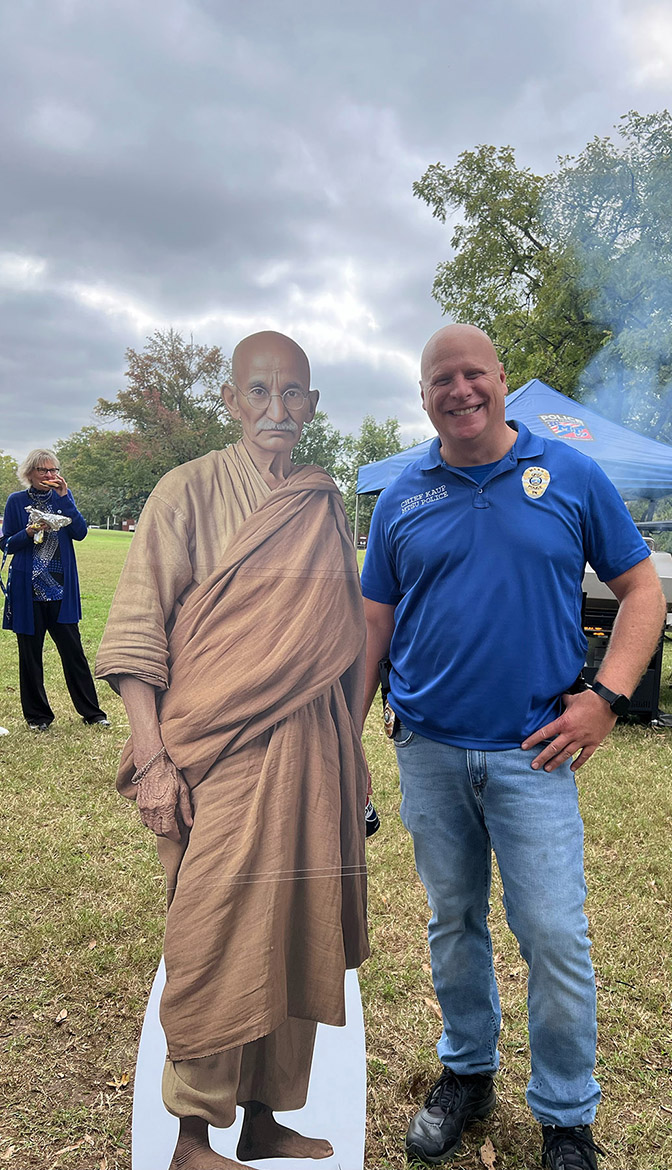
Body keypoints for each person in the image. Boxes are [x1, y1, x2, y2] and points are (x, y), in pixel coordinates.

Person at [361, 324, 666, 1170]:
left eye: (473, 374)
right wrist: (342, 737)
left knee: (553, 934)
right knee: (452, 922)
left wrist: (606, 699)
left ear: (501, 380)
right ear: (422, 397)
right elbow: (372, 625)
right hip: (425, 746)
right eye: (439, 381)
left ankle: (566, 1116)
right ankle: (468, 1072)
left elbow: (640, 587)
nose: (459, 391)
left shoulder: (569, 474)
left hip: (534, 755)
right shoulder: (399, 497)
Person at [96, 331, 369, 1170]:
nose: (276, 411)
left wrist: (352, 762)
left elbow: (340, 642)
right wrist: (153, 762)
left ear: (313, 407)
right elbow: (138, 633)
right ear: (231, 401)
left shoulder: (324, 504)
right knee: (213, 932)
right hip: (216, 758)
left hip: (314, 755)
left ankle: (264, 1118)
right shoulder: (185, 490)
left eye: (293, 394)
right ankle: (190, 1137)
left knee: (296, 930)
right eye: (259, 392)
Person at [1, 450, 109, 730]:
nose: (50, 475)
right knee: (30, 657)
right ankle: (38, 718)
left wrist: (65, 498)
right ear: (30, 473)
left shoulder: (63, 498)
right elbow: (7, 545)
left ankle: (93, 714)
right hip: (28, 592)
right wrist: (27, 532)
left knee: (74, 654)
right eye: (42, 470)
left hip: (61, 592)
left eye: (53, 470)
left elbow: (80, 532)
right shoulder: (16, 501)